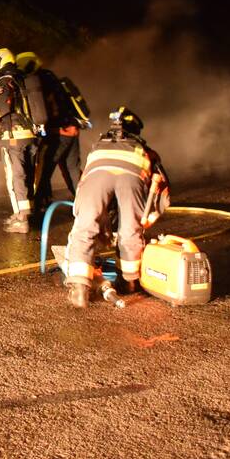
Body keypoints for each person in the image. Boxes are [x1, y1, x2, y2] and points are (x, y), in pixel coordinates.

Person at [62, 107, 170, 308]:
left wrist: (93, 216)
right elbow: (162, 190)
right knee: (130, 230)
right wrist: (148, 217)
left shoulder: (98, 147)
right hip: (132, 181)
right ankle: (130, 282)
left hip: (95, 181)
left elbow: (85, 183)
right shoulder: (145, 151)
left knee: (84, 229)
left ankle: (79, 290)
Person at [15, 52, 83, 211]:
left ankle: (40, 205)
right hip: (72, 129)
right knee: (72, 169)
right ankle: (84, 203)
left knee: (43, 170)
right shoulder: (51, 77)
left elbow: (41, 112)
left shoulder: (35, 82)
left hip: (56, 132)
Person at [0, 48, 37, 233]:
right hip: (31, 134)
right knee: (29, 175)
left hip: (14, 135)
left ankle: (20, 218)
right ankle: (28, 213)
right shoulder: (24, 78)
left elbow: (1, 108)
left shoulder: (4, 80)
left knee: (15, 177)